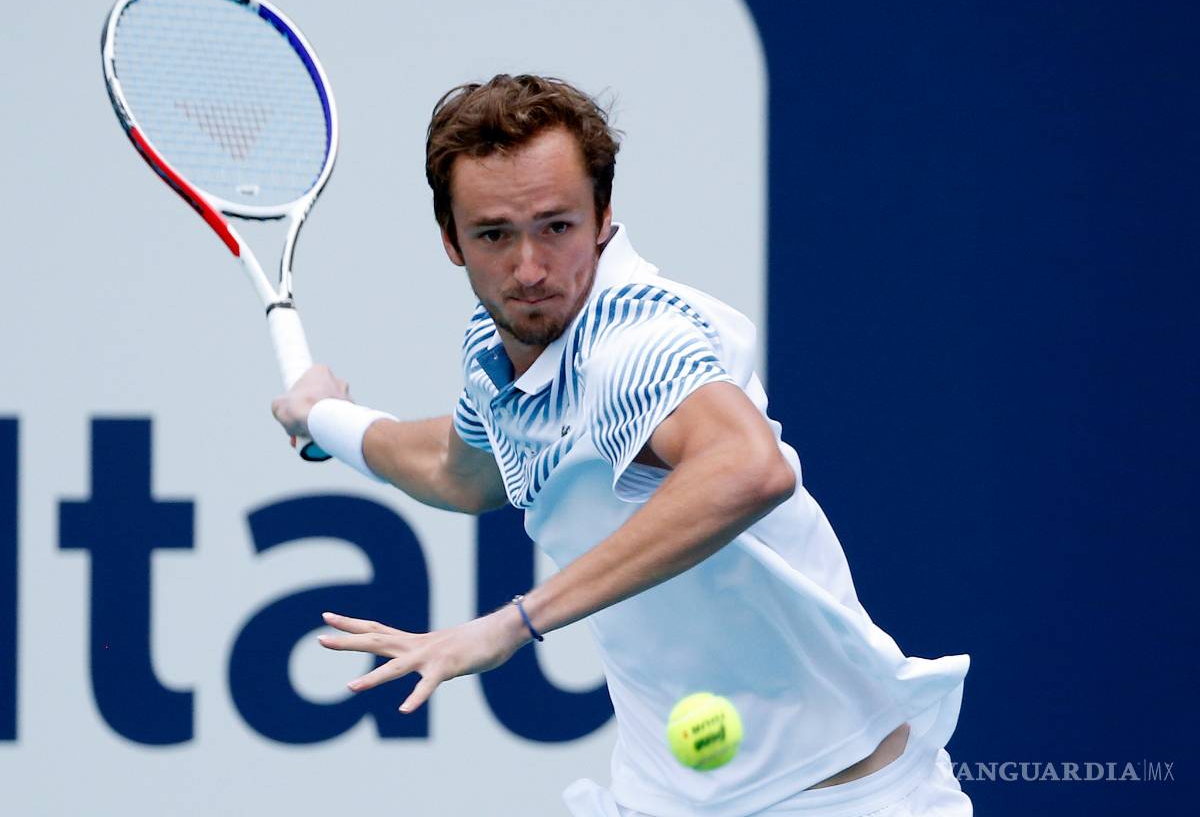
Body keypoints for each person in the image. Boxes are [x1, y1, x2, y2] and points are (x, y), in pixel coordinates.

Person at [271, 74, 972, 817]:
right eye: (494, 235)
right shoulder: (497, 343)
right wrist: (325, 420)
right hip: (668, 796)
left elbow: (748, 467)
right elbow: (460, 471)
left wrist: (513, 624)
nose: (530, 269)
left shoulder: (634, 344)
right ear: (451, 241)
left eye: (557, 226)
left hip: (844, 796)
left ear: (603, 218)